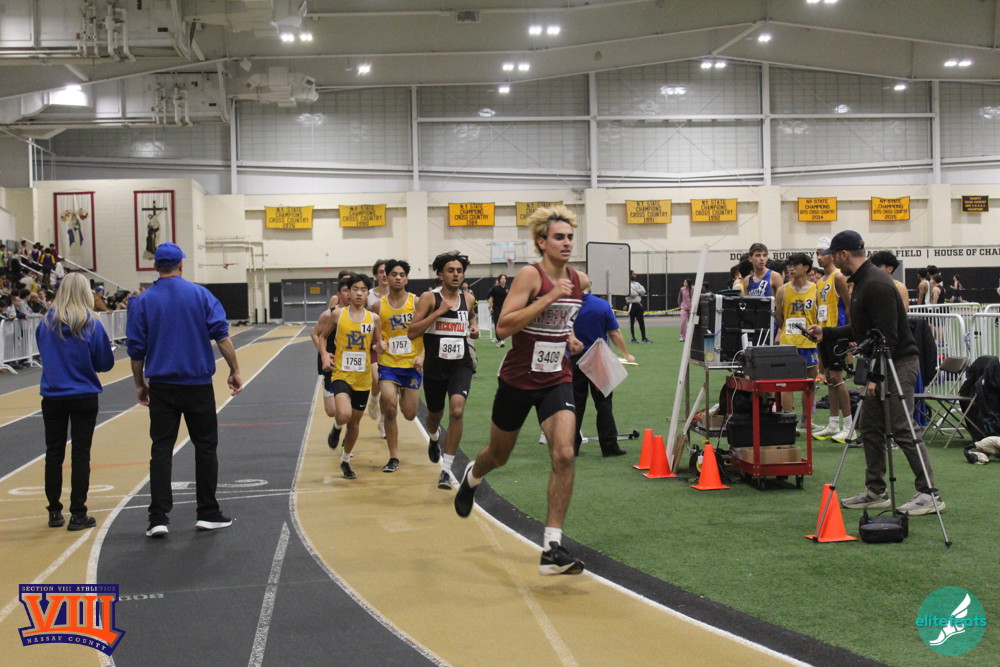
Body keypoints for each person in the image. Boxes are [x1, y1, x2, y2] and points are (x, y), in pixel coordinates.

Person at [454, 205, 590, 576]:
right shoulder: (531, 276)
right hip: (518, 380)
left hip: (556, 378)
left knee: (565, 453)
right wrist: (547, 298)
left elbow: (563, 320)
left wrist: (569, 337)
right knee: (499, 455)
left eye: (570, 237)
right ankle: (472, 476)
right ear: (541, 242)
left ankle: (552, 548)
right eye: (558, 237)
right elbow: (502, 327)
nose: (566, 243)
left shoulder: (580, 280)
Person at [807, 230, 944, 516]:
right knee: (869, 426)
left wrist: (874, 377)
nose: (831, 261)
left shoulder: (876, 284)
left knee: (903, 427)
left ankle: (930, 494)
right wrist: (826, 333)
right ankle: (876, 491)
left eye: (833, 255)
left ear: (844, 254)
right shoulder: (862, 282)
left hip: (897, 363)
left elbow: (887, 338)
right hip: (880, 362)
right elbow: (863, 331)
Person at [127, 242, 243, 537]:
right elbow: (222, 337)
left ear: (156, 267)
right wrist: (234, 370)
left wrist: (139, 383)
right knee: (205, 447)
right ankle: (207, 512)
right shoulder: (200, 295)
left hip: (162, 386)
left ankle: (158, 517)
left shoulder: (143, 301)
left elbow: (137, 349)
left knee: (161, 449)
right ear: (181, 264)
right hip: (197, 384)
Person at [35, 273, 115, 531]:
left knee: (53, 453)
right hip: (83, 394)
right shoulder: (92, 323)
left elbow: (44, 354)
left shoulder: (45, 323)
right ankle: (78, 512)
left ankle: (54, 511)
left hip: (53, 394)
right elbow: (105, 362)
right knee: (81, 454)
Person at [408, 251, 479, 489]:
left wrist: (473, 327)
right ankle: (434, 437)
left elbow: (471, 317)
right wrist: (439, 313)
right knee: (434, 416)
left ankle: (446, 470)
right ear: (440, 274)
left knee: (457, 410)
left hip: (460, 365)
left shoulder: (468, 298)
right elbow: (412, 332)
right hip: (435, 368)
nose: (456, 274)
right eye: (451, 270)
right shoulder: (429, 298)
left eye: (459, 271)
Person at [317, 273, 382, 480]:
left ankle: (345, 461)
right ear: (348, 292)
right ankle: (337, 427)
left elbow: (378, 343)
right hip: (342, 374)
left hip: (362, 378)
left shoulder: (374, 318)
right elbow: (322, 337)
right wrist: (324, 355)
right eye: (355, 289)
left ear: (367, 293)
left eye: (363, 290)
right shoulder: (338, 315)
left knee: (354, 423)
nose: (359, 293)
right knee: (344, 415)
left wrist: (381, 346)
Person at [372, 260, 424, 472]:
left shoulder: (417, 302)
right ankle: (393, 457)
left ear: (407, 279)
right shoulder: (378, 306)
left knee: (410, 414)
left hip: (411, 364)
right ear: (387, 276)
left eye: (402, 274)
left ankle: (403, 393)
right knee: (390, 408)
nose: (398, 278)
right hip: (388, 364)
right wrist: (377, 344)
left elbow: (427, 332)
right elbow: (372, 336)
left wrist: (422, 355)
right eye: (394, 274)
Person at [572, 290, 634, 457]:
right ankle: (609, 446)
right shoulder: (602, 305)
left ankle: (571, 446)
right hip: (597, 358)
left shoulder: (567, 305)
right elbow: (614, 333)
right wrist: (626, 354)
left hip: (574, 359)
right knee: (603, 403)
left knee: (575, 404)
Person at [812, 237, 853, 442]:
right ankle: (833, 423)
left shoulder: (838, 277)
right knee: (829, 377)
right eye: (817, 253)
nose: (819, 257)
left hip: (837, 332)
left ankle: (849, 426)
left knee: (837, 377)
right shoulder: (820, 281)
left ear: (832, 254)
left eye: (823, 253)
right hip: (824, 333)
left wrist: (852, 333)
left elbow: (848, 305)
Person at [774, 252, 819, 427]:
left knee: (810, 383)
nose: (791, 269)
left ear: (806, 268)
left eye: (795, 265)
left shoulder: (815, 289)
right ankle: (789, 421)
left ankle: (807, 419)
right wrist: (787, 330)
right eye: (789, 266)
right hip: (789, 343)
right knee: (788, 384)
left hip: (809, 342)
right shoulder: (783, 290)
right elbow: (779, 317)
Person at [311, 274, 353, 448]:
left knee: (350, 411)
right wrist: (324, 354)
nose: (349, 294)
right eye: (345, 290)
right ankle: (337, 425)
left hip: (353, 367)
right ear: (339, 294)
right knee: (332, 411)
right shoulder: (329, 315)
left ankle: (346, 446)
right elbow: (315, 334)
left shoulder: (363, 314)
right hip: (333, 365)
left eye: (352, 290)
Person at [626, 270, 651, 343]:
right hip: (631, 305)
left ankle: (644, 338)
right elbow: (631, 294)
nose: (635, 275)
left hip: (638, 304)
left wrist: (637, 291)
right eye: (633, 274)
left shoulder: (637, 283)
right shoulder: (627, 284)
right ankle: (633, 338)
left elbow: (643, 291)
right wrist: (638, 292)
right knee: (631, 322)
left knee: (641, 321)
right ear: (630, 275)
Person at [487, 274, 509, 347]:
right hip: (496, 308)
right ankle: (500, 340)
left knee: (503, 324)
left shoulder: (507, 289)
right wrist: (490, 307)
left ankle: (500, 338)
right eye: (502, 278)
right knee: (497, 324)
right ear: (499, 280)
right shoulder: (495, 288)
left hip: (504, 309)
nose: (503, 280)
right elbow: (491, 298)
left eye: (504, 278)